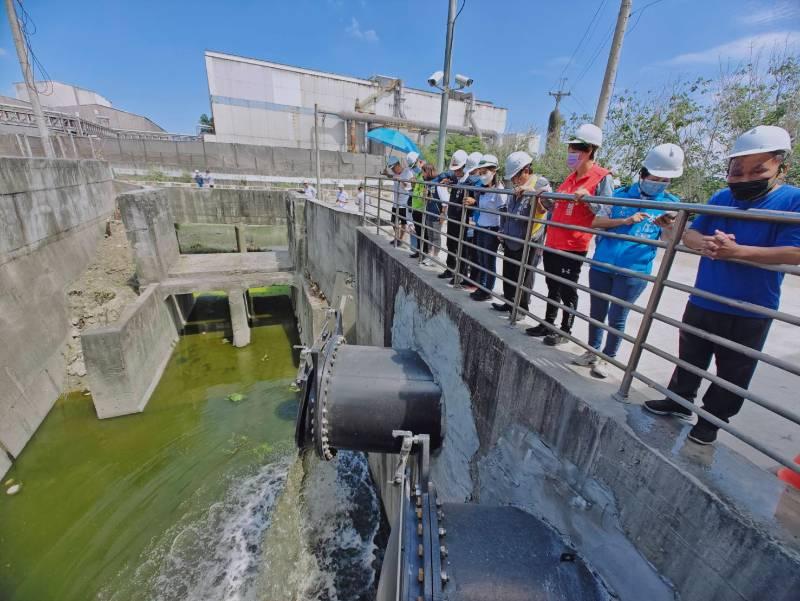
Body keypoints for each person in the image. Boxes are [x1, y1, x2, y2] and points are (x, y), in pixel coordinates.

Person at [644, 125, 800, 445]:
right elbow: (691, 234)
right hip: (705, 297)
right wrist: (706, 243)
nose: (744, 179)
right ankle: (678, 400)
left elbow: (794, 251)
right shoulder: (721, 197)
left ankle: (711, 421)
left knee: (733, 370)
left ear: (780, 168)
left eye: (757, 170)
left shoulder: (791, 201)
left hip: (750, 306)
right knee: (690, 355)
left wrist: (738, 252)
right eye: (737, 171)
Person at [573, 143, 684, 379]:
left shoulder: (672, 205)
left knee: (617, 316)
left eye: (666, 180)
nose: (660, 183)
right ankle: (592, 350)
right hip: (603, 264)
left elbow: (670, 241)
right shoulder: (620, 195)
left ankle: (608, 357)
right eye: (657, 177)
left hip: (634, 270)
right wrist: (625, 221)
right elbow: (596, 223)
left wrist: (669, 226)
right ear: (644, 173)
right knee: (597, 311)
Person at [527, 123, 614, 345]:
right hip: (554, 241)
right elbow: (556, 207)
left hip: (573, 245)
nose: (572, 153)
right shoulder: (570, 177)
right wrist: (545, 197)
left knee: (567, 288)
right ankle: (548, 323)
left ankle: (565, 329)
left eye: (577, 149)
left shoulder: (601, 177)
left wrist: (590, 198)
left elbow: (607, 210)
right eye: (571, 148)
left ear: (590, 150)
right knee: (552, 285)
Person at [491, 151, 551, 313]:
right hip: (511, 236)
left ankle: (521, 308)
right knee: (509, 271)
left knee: (524, 275)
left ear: (526, 170)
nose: (513, 180)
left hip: (529, 238)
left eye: (516, 177)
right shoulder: (516, 187)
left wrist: (531, 192)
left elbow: (546, 208)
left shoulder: (540, 184)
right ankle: (509, 302)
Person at [429, 149, 469, 279]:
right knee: (450, 245)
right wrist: (441, 182)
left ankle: (460, 275)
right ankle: (450, 270)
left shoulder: (470, 181)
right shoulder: (453, 177)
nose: (456, 172)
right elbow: (438, 178)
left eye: (458, 170)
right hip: (452, 217)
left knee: (461, 248)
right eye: (455, 170)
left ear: (465, 166)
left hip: (463, 219)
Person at [471, 154, 504, 300]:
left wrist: (502, 232)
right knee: (481, 259)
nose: (483, 175)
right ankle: (481, 287)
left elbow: (503, 213)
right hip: (481, 227)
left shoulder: (500, 190)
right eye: (481, 172)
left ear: (494, 171)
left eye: (485, 172)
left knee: (488, 261)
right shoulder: (482, 189)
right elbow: (482, 207)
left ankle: (487, 290)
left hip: (492, 230)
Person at [386, 156, 414, 247]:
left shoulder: (407, 173)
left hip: (404, 203)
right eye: (392, 169)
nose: (393, 171)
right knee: (393, 222)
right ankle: (396, 237)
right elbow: (392, 176)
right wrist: (386, 174)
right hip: (396, 202)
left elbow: (409, 187)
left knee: (403, 223)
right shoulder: (396, 173)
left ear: (398, 165)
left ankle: (400, 239)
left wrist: (401, 180)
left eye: (393, 168)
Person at [420, 162, 444, 266]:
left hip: (436, 213)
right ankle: (429, 254)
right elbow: (426, 200)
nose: (422, 174)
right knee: (429, 235)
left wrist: (443, 213)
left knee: (436, 236)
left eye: (423, 172)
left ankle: (435, 256)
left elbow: (445, 200)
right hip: (429, 212)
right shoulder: (427, 183)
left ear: (428, 171)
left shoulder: (438, 182)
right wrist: (425, 196)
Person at [406, 151, 426, 259]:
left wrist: (414, 190)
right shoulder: (418, 174)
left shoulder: (424, 174)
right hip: (416, 207)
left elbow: (423, 191)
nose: (414, 168)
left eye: (414, 165)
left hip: (422, 208)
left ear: (419, 161)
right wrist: (413, 186)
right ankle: (419, 251)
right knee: (418, 232)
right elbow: (417, 190)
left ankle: (424, 253)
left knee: (424, 233)